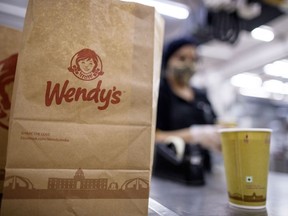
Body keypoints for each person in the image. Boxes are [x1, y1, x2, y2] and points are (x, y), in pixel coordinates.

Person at [153, 37, 221, 185]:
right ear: (168, 60)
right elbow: (151, 137)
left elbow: (215, 123)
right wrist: (194, 135)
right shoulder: (160, 93)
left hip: (203, 172)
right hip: (170, 173)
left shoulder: (201, 95)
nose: (188, 64)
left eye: (193, 60)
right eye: (181, 58)